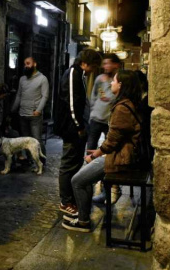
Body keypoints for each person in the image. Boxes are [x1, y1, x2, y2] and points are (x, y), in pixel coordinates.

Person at [62, 70, 142, 232]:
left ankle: (83, 221)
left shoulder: (123, 108)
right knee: (85, 175)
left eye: (114, 81)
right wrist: (98, 152)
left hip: (120, 158)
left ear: (121, 85)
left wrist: (95, 155)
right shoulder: (128, 103)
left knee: (77, 181)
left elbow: (112, 141)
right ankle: (83, 215)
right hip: (119, 154)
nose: (111, 83)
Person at [55, 49, 102, 217]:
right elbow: (72, 104)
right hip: (71, 129)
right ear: (85, 63)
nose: (93, 71)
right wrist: (79, 126)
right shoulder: (73, 74)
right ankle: (65, 201)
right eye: (93, 67)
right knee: (68, 164)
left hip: (76, 128)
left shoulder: (79, 74)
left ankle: (71, 197)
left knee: (74, 163)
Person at [87, 53, 122, 204]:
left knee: (110, 154)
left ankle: (111, 188)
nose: (105, 66)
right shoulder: (99, 79)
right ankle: (89, 185)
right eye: (104, 64)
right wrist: (93, 111)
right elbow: (93, 97)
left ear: (116, 65)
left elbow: (117, 98)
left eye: (109, 63)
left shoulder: (118, 81)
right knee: (90, 152)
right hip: (96, 119)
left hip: (110, 121)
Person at [11, 56, 49, 160]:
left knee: (36, 139)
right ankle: (30, 160)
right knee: (26, 140)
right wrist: (13, 110)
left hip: (34, 115)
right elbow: (19, 95)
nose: (26, 66)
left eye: (28, 63)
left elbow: (45, 96)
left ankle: (41, 160)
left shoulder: (42, 79)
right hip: (22, 114)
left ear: (35, 64)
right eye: (25, 64)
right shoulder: (22, 79)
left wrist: (38, 110)